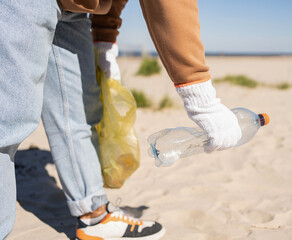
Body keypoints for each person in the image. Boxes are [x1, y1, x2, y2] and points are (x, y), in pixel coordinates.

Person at [0, 0, 242, 239]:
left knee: (83, 113)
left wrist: (105, 37)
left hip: (74, 8)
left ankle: (94, 215)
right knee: (8, 124)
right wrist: (202, 99)